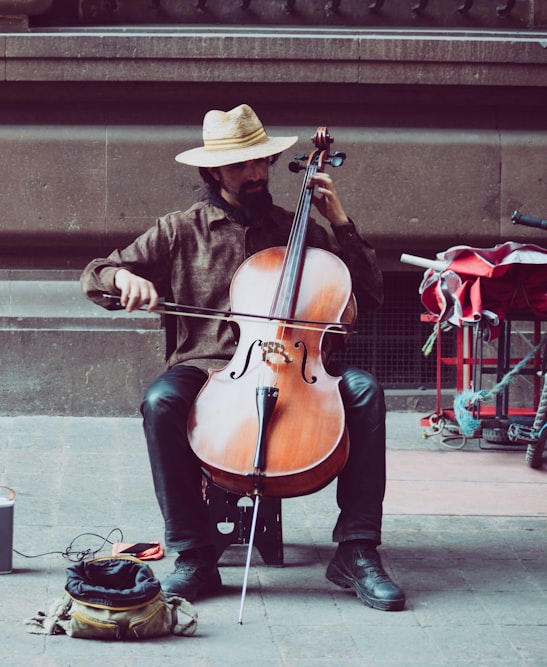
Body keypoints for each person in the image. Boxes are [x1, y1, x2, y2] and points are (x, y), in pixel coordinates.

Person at [80, 104, 406, 612]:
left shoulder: (296, 230)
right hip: (206, 364)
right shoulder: (180, 230)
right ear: (213, 171)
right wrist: (125, 279)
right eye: (240, 166)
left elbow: (370, 291)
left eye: (261, 163)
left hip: (300, 366)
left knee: (364, 391)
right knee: (161, 401)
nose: (255, 174)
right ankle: (195, 554)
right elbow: (97, 273)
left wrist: (338, 220)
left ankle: (357, 550)